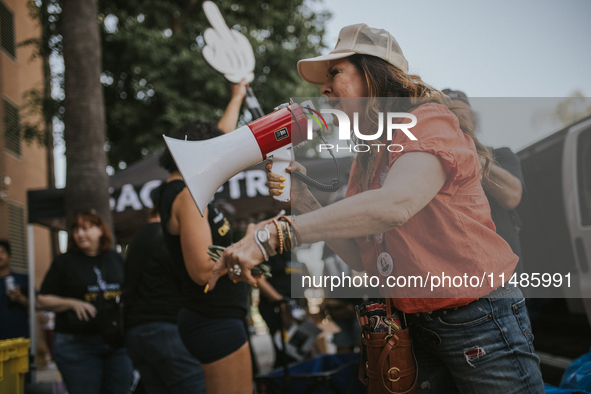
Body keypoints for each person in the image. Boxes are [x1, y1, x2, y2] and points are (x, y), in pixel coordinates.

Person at [209, 24, 545, 393]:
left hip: (479, 318)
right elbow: (358, 255)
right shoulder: (365, 159)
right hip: (416, 325)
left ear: (372, 73)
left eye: (334, 72)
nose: (323, 89)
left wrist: (276, 234)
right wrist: (305, 201)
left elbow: (395, 205)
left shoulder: (427, 119)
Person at [157, 80, 252, 394]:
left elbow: (220, 136)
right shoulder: (187, 195)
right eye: (212, 155)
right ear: (194, 156)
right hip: (213, 318)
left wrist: (237, 95)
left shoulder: (183, 188)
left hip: (217, 317)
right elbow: (201, 271)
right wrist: (252, 246)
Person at [37, 211, 133, 394]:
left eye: (85, 228)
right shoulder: (64, 262)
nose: (79, 234)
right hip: (76, 345)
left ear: (100, 230)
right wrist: (72, 303)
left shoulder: (116, 259)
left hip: (116, 344)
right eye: (75, 230)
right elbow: (42, 300)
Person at [123, 206, 206, 394]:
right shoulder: (167, 238)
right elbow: (192, 279)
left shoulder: (138, 239)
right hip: (166, 330)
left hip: (135, 331)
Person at [443, 89, 526, 273]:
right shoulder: (436, 164)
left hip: (507, 280)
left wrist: (468, 153)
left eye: (461, 116)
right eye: (448, 117)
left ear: (473, 121)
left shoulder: (501, 155)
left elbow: (512, 197)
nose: (455, 122)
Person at [0, 239, 29, 340]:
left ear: (9, 255)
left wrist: (20, 298)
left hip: (21, 337)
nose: (0, 256)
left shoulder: (23, 279)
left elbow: (36, 305)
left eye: (2, 252)